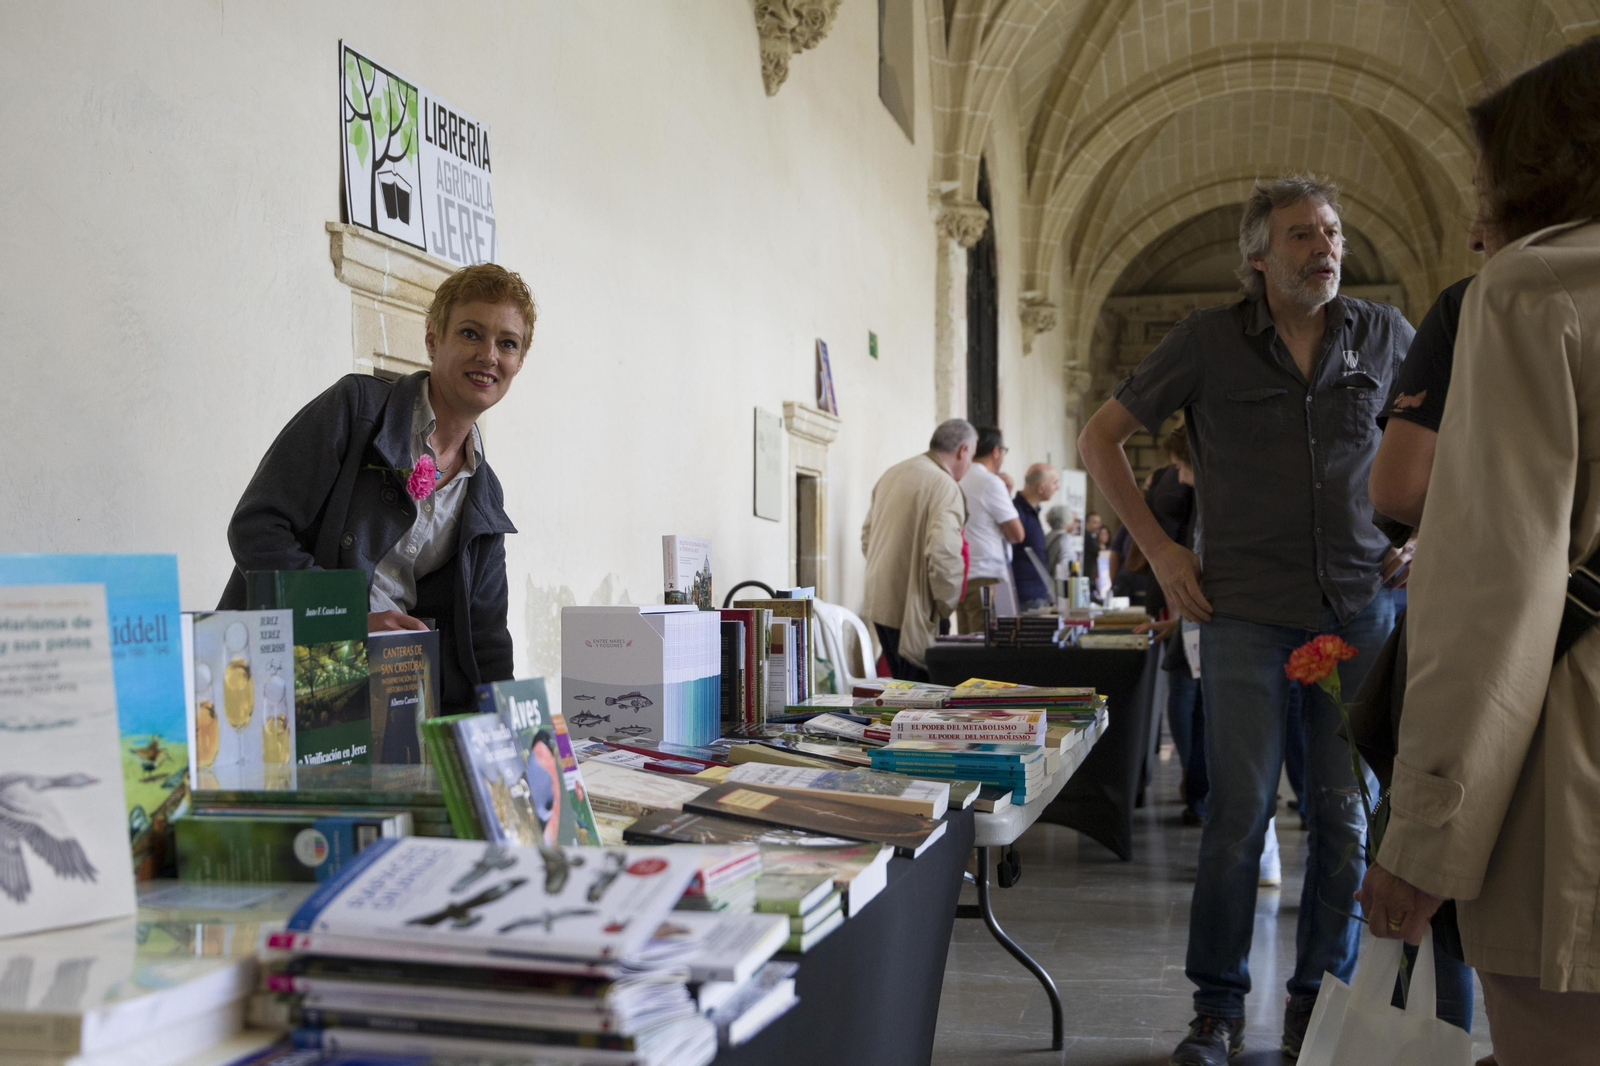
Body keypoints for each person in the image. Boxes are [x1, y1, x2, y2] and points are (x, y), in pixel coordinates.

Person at [1078, 174, 1416, 1066]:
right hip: (1244, 612)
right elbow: (1099, 436)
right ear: (1260, 257)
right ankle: (1217, 1011)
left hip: (1361, 607)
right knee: (1238, 815)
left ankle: (1316, 1008)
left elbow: (1454, 437)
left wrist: (1428, 531)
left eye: (1332, 231)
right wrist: (1160, 549)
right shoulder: (1207, 341)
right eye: (1302, 234)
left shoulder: (1385, 333)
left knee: (1346, 818)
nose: (1325, 247)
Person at [1357, 39, 1600, 1066]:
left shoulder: (1533, 289)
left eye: (1486, 184)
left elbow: (1494, 591)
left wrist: (1420, 840)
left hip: (1572, 775)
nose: (1474, 222)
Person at [221, 263, 531, 711]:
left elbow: (485, 638)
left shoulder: (484, 491)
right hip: (285, 678)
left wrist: (513, 730)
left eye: (508, 343)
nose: (489, 355)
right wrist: (348, 621)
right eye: (470, 333)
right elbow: (256, 528)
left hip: (388, 704)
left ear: (519, 362)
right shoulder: (356, 409)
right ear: (432, 339)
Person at [860, 419, 973, 680]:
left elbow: (867, 537)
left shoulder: (893, 473)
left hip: (880, 602)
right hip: (916, 606)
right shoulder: (944, 485)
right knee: (925, 693)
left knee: (903, 687)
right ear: (963, 450)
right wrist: (947, 604)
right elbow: (944, 553)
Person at [956, 427, 1024, 633]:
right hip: (987, 575)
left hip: (961, 576)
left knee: (966, 642)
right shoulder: (990, 482)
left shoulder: (957, 478)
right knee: (991, 642)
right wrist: (1005, 494)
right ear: (996, 451)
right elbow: (1017, 534)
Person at [1009, 463, 1060, 611]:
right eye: (1054, 483)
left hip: (1036, 592)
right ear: (1040, 488)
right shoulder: (1016, 512)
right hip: (1025, 596)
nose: (1057, 487)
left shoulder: (1031, 511)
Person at [1044, 505, 1073, 575]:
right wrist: (1062, 580)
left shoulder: (1046, 536)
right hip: (1057, 578)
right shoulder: (1065, 538)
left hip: (1046, 575)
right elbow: (1063, 562)